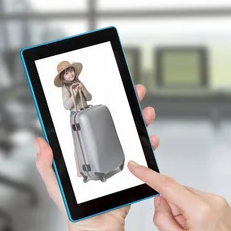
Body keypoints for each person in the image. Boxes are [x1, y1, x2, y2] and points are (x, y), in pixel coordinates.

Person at [35, 84, 231, 231]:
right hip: (77, 117)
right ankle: (87, 173)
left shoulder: (81, 86)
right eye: (66, 75)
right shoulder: (66, 93)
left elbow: (89, 96)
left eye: (71, 73)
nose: (70, 76)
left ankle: (96, 170)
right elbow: (67, 104)